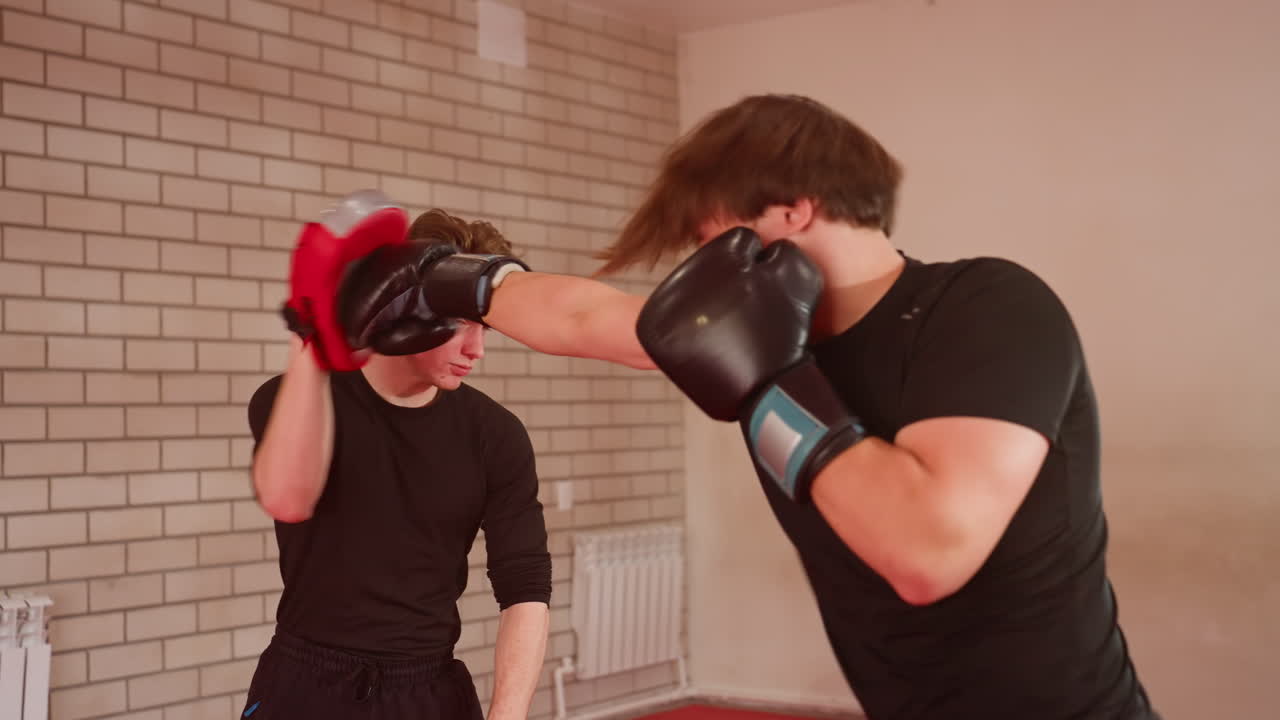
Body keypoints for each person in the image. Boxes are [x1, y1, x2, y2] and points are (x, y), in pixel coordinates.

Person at [398, 94, 1158, 719]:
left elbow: (928, 552)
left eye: (710, 230)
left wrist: (772, 380)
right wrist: (454, 280)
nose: (701, 261)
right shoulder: (760, 334)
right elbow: (578, 319)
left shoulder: (989, 308)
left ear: (794, 209)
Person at [243, 196, 551, 720]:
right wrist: (315, 331)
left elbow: (525, 588)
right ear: (408, 305)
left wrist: (508, 715)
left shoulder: (496, 436)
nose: (477, 349)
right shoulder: (294, 399)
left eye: (486, 327)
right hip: (305, 685)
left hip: (427, 692)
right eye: (459, 323)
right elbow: (286, 495)